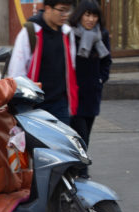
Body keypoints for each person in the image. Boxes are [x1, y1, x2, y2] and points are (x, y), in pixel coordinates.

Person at [8, 0, 78, 125]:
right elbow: (16, 72)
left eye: (68, 10)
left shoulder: (66, 33)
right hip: (34, 106)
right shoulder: (30, 32)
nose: (65, 15)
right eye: (61, 10)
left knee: (62, 143)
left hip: (60, 105)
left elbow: (71, 67)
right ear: (47, 8)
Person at [69, 0, 111, 177]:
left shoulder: (102, 35)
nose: (91, 19)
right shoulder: (71, 34)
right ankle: (81, 171)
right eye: (87, 14)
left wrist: (101, 79)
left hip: (92, 93)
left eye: (94, 15)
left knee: (86, 136)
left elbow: (106, 61)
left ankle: (77, 171)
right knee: (80, 136)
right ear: (80, 15)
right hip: (74, 93)